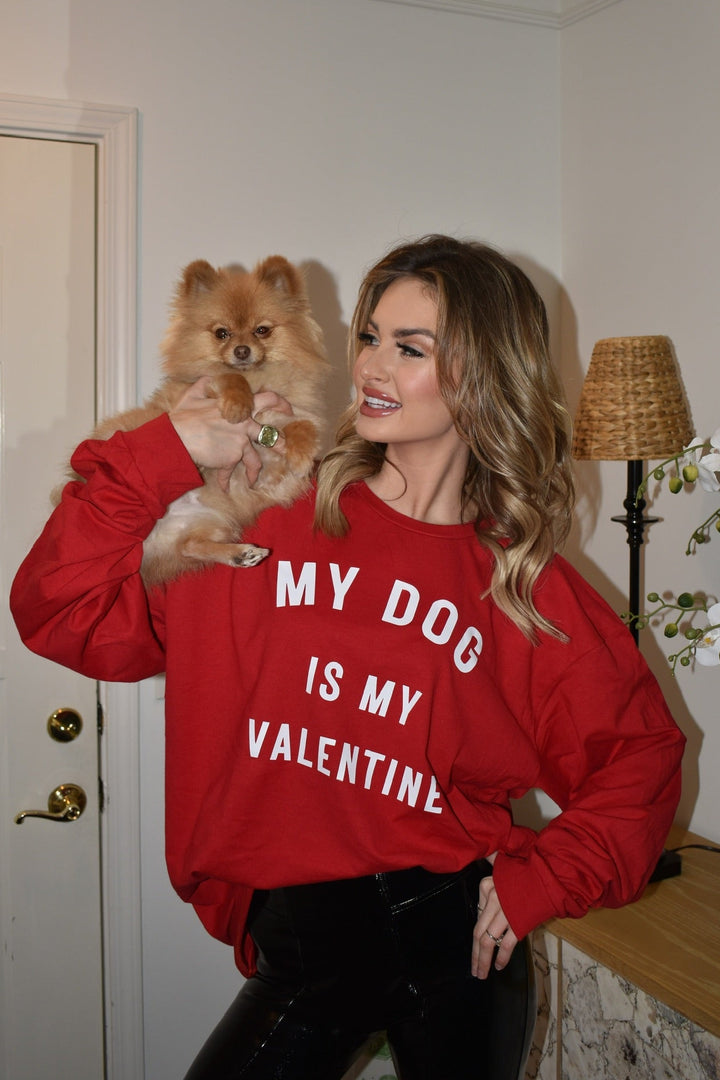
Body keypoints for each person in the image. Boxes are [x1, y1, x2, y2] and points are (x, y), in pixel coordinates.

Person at [10, 235, 685, 1080]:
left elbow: (640, 753)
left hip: (460, 948)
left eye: (410, 348)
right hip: (305, 943)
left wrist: (541, 883)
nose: (371, 365)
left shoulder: (523, 581)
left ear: (483, 374)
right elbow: (59, 611)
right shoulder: (262, 510)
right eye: (370, 336)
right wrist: (164, 451)